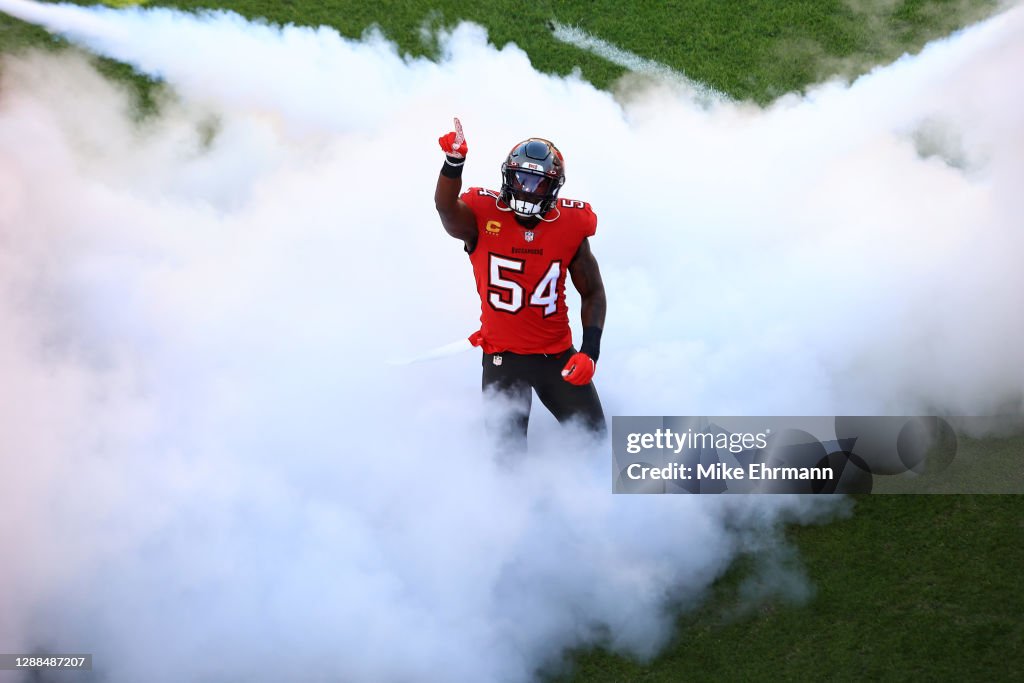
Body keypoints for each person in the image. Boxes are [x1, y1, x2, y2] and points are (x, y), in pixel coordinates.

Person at [434, 117, 607, 449]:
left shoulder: (570, 225)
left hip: (556, 355)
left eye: (538, 183)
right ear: (507, 177)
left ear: (554, 188)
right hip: (502, 358)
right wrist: (453, 164)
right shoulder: (483, 215)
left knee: (596, 442)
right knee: (507, 459)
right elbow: (445, 208)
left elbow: (592, 291)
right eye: (521, 179)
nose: (527, 189)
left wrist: (590, 352)